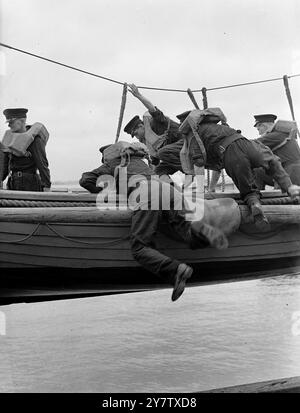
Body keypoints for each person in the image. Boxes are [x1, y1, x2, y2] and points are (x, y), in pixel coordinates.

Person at [80, 141, 239, 302]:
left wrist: (109, 191)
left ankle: (177, 270)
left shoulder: (112, 164)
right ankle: (200, 232)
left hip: (147, 194)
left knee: (139, 247)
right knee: (185, 232)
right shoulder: (141, 162)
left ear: (108, 156)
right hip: (168, 191)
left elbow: (86, 180)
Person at [179, 108, 300, 230]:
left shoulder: (194, 135)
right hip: (247, 143)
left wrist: (200, 193)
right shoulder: (223, 127)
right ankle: (290, 187)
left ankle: (254, 203)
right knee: (271, 160)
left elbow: (198, 163)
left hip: (231, 153)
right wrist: (211, 187)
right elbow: (218, 167)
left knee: (248, 190)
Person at [124, 84, 184, 178]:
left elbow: (152, 108)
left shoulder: (155, 122)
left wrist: (138, 95)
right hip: (176, 155)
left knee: (163, 152)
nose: (137, 137)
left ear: (141, 126)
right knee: (157, 172)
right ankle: (169, 190)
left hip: (186, 143)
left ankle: (190, 171)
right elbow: (155, 161)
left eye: (136, 133)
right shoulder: (148, 143)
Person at [0, 108, 51, 191]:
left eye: (11, 122)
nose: (9, 125)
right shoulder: (8, 139)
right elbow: (4, 165)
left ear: (21, 121)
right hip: (12, 182)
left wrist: (46, 186)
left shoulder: (34, 140)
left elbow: (42, 164)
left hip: (30, 183)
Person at [253, 113, 300, 187]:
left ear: (263, 126)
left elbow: (251, 145)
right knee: (259, 171)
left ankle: (255, 195)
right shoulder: (283, 134)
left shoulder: (276, 135)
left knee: (256, 170)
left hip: (290, 173)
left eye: (259, 129)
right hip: (290, 171)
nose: (259, 133)